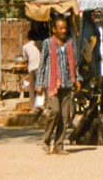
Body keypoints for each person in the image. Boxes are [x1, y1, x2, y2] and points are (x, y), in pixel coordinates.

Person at [35, 18, 82, 155]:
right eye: (60, 28)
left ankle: (59, 145)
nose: (64, 31)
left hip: (67, 84)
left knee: (65, 115)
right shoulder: (48, 44)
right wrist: (39, 83)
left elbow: (73, 63)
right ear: (54, 30)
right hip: (52, 84)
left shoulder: (69, 43)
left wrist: (77, 79)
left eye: (65, 28)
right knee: (54, 111)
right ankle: (46, 138)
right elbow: (42, 64)